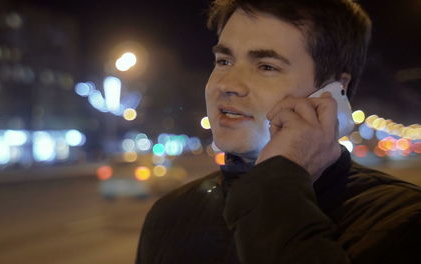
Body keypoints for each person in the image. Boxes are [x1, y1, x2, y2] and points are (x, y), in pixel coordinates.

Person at [136, 0, 421, 263]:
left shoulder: (401, 220)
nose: (228, 84)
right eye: (224, 61)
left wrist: (276, 184)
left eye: (266, 66)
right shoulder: (170, 214)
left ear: (335, 91)